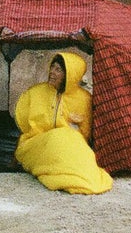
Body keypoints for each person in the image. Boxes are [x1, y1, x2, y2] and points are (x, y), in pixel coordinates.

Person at [13, 50, 114, 195]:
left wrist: (71, 129)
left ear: (69, 75)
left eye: (58, 70)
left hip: (71, 146)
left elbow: (85, 134)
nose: (52, 73)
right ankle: (67, 178)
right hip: (38, 143)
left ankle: (81, 180)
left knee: (75, 152)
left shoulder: (84, 99)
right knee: (56, 139)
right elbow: (24, 124)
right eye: (52, 68)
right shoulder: (35, 93)